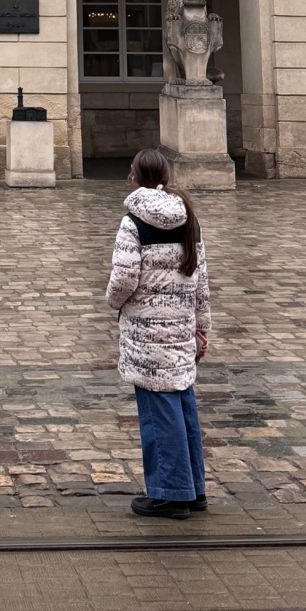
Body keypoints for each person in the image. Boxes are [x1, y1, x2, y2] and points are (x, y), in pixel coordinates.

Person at [106, 146, 211, 520]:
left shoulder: (133, 222)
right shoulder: (190, 218)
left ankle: (169, 492)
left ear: (134, 176)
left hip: (147, 331)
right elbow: (201, 281)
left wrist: (113, 303)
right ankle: (193, 487)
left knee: (158, 409)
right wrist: (202, 327)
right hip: (181, 325)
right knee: (182, 403)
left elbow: (123, 277)